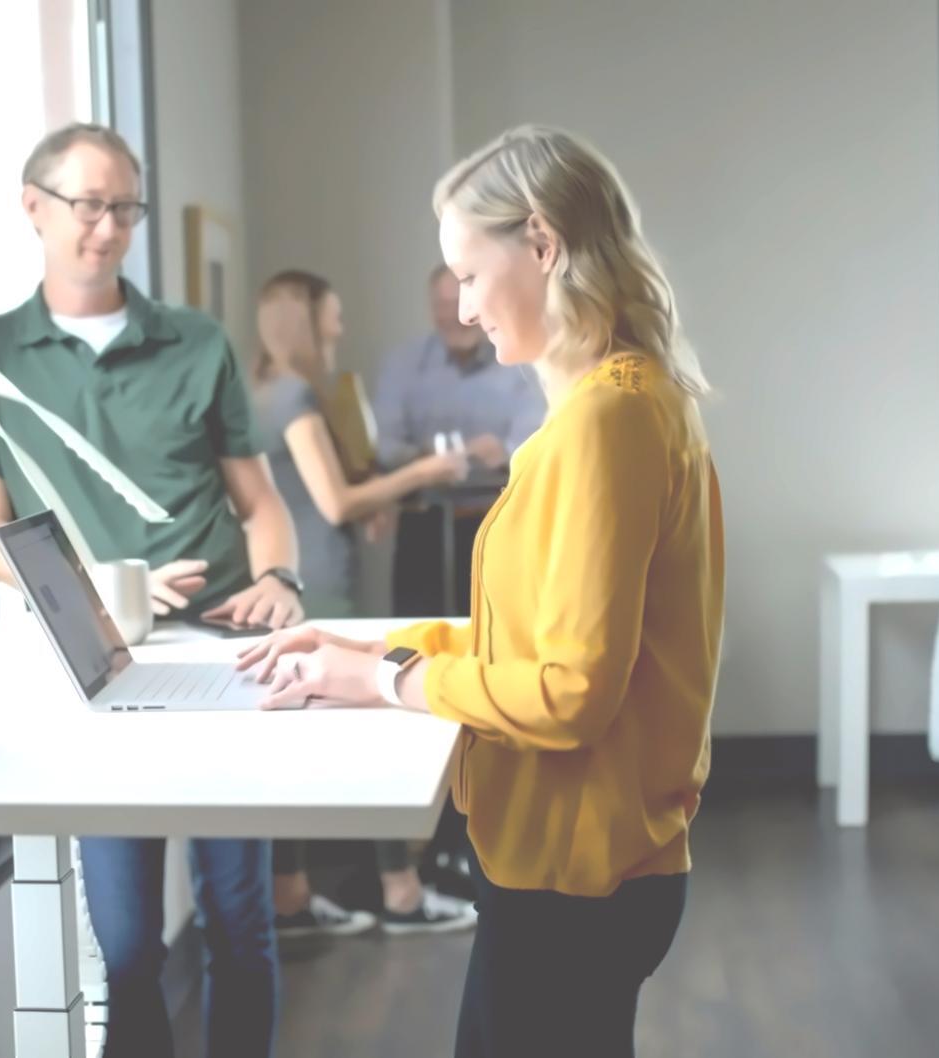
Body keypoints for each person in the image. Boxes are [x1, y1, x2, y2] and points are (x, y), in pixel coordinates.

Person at [237, 125, 724, 1058]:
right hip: (593, 864)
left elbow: (569, 692)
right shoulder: (628, 398)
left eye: (467, 273)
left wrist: (386, 683)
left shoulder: (605, 420)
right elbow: (529, 641)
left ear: (542, 245)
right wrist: (371, 653)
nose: (460, 308)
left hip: (575, 874)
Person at [0, 122, 301, 1058]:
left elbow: (261, 504)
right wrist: (97, 582)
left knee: (240, 927)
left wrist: (277, 575)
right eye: (87, 204)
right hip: (94, 674)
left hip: (225, 660)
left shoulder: (196, 343)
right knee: (129, 947)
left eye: (124, 208)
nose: (107, 227)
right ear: (33, 206)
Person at [249, 270, 477, 938]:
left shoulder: (264, 391)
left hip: (304, 580)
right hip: (319, 587)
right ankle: (397, 893)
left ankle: (294, 895)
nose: (340, 328)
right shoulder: (292, 394)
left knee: (303, 745)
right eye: (333, 315)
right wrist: (426, 473)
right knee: (372, 725)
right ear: (305, 319)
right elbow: (336, 503)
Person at [373, 265, 546, 618]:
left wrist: (504, 452)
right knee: (416, 635)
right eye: (442, 305)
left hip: (498, 524)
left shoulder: (521, 364)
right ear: (431, 308)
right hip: (421, 528)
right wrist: (429, 460)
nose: (454, 316)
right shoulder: (403, 364)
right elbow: (385, 446)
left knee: (497, 636)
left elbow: (536, 445)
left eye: (460, 303)